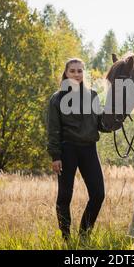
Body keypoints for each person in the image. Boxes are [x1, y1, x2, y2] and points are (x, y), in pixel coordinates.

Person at [46, 57, 109, 242]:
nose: (76, 74)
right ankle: (66, 239)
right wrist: (55, 155)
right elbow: (53, 129)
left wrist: (115, 120)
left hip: (89, 149)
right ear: (66, 73)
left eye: (80, 70)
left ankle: (83, 235)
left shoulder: (93, 96)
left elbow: (101, 124)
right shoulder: (57, 99)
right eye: (72, 70)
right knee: (65, 196)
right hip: (67, 150)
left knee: (98, 194)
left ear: (84, 73)